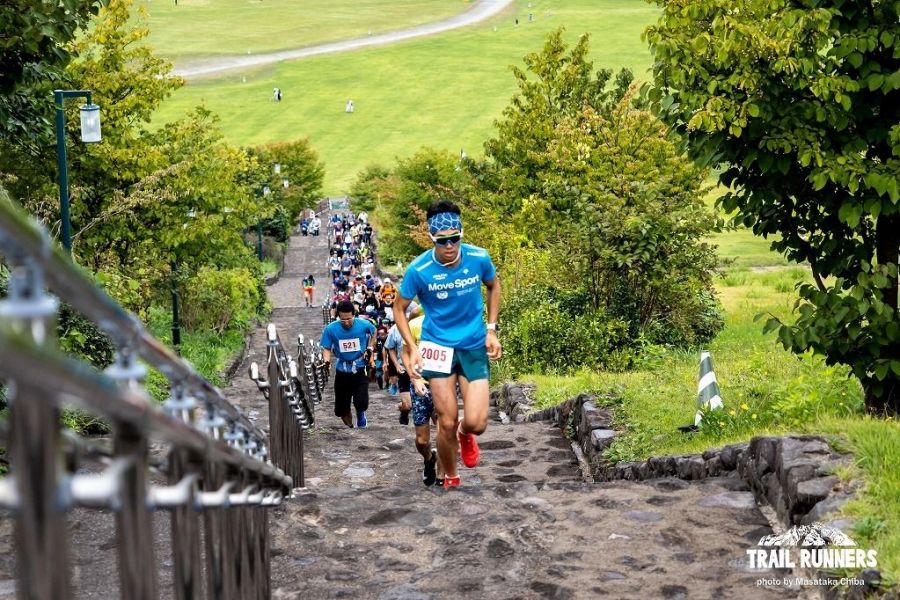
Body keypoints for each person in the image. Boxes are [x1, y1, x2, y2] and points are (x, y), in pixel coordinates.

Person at [393, 200, 501, 489]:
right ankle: (450, 477)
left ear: (461, 233)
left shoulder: (479, 258)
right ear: (432, 239)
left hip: (473, 344)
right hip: (436, 347)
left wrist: (491, 329)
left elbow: (494, 285)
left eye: (455, 239)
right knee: (446, 420)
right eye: (443, 241)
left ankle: (467, 435)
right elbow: (398, 308)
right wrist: (412, 347)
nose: (450, 246)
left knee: (476, 422)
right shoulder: (419, 269)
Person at [320, 300, 376, 428]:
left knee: (361, 401)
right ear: (338, 316)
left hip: (359, 368)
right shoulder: (331, 329)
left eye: (349, 319)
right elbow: (326, 347)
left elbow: (374, 332)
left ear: (354, 315)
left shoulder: (363, 324)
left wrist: (370, 348)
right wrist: (327, 361)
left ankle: (361, 414)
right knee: (341, 410)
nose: (346, 322)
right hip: (342, 370)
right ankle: (350, 427)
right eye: (343, 319)